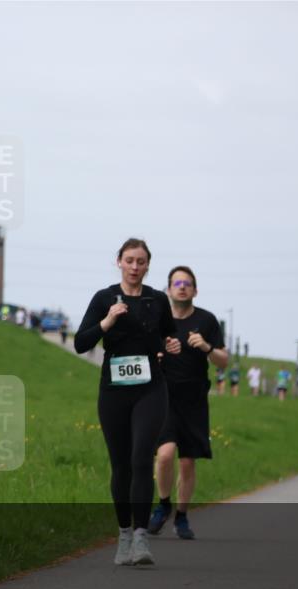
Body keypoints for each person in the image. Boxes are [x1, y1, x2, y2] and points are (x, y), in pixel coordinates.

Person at [75, 238, 180, 566]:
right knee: (120, 465)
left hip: (151, 387)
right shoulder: (105, 298)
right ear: (118, 262)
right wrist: (107, 320)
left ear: (148, 265)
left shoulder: (157, 300)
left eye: (141, 262)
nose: (135, 267)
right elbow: (81, 343)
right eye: (129, 260)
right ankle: (123, 535)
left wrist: (171, 346)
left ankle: (140, 538)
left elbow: (169, 335)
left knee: (139, 459)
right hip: (114, 390)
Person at [148, 266, 228, 540]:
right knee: (166, 454)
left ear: (195, 289)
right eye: (177, 282)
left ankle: (181, 516)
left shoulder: (207, 321)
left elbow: (224, 361)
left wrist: (206, 347)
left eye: (187, 283)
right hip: (164, 397)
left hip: (194, 400)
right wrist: (157, 355)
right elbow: (145, 353)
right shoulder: (158, 320)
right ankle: (163, 505)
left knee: (187, 463)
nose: (182, 287)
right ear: (168, 289)